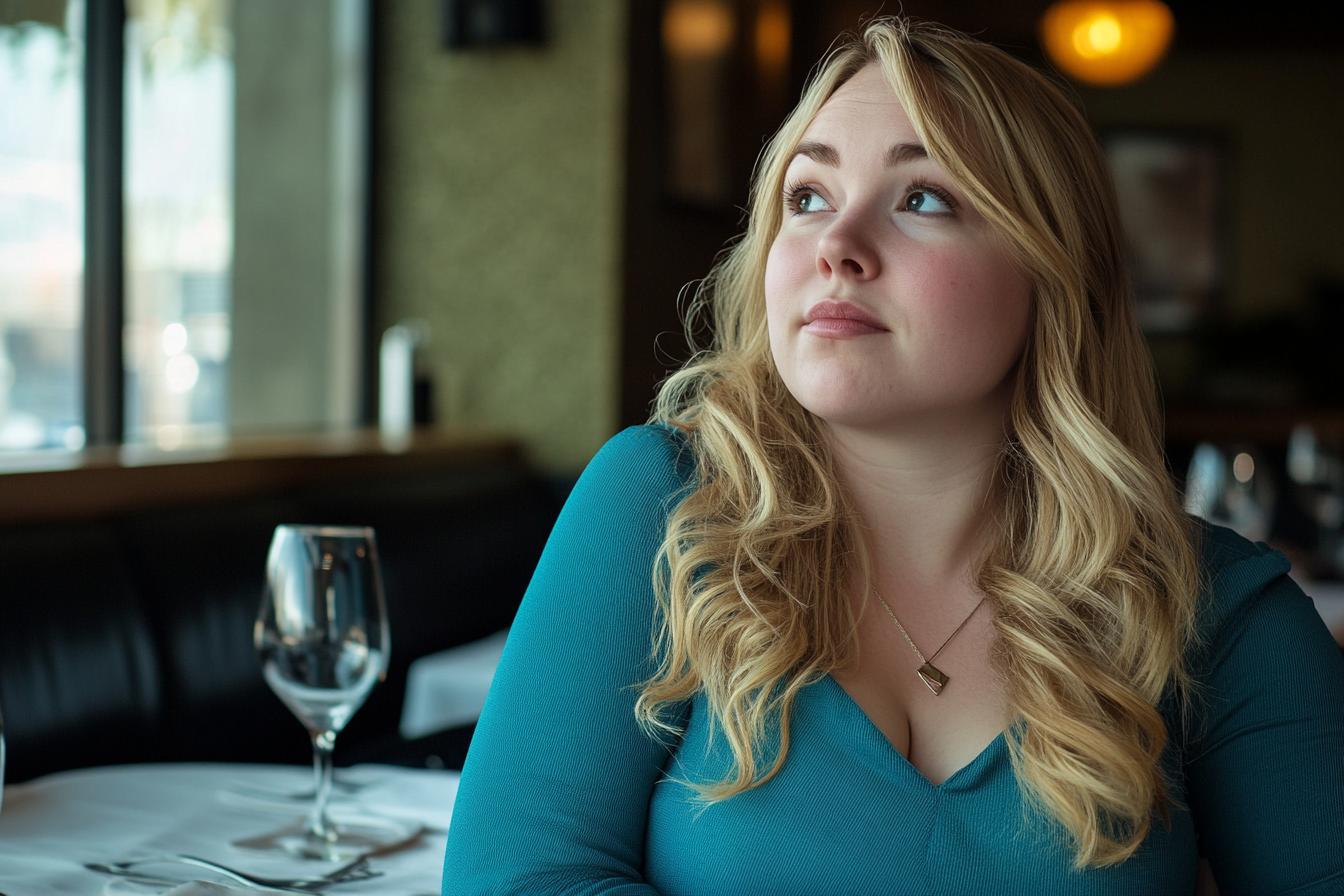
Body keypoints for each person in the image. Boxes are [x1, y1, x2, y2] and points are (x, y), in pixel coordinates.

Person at [442, 18, 1344, 895]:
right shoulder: (660, 503)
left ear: (1052, 274)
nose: (836, 246)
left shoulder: (1219, 615)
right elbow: (517, 876)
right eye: (808, 197)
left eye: (923, 199)